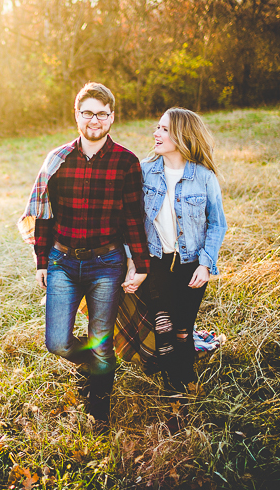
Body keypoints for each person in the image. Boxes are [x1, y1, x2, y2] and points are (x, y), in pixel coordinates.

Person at [18, 82, 149, 427]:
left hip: (106, 264)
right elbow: (44, 216)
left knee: (102, 342)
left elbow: (134, 217)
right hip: (62, 261)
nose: (95, 119)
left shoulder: (126, 162)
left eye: (102, 113)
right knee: (57, 342)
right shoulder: (58, 159)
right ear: (76, 114)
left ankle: (99, 411)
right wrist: (41, 262)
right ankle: (92, 365)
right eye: (88, 112)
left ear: (112, 117)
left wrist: (141, 263)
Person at [123, 107, 227, 394]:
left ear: (182, 135)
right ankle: (173, 386)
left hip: (190, 264)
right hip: (155, 262)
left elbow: (217, 224)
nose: (156, 133)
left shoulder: (204, 177)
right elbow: (128, 219)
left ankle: (184, 372)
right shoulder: (145, 171)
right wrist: (132, 262)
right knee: (164, 327)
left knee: (183, 329)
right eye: (158, 127)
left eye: (164, 129)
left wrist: (206, 264)